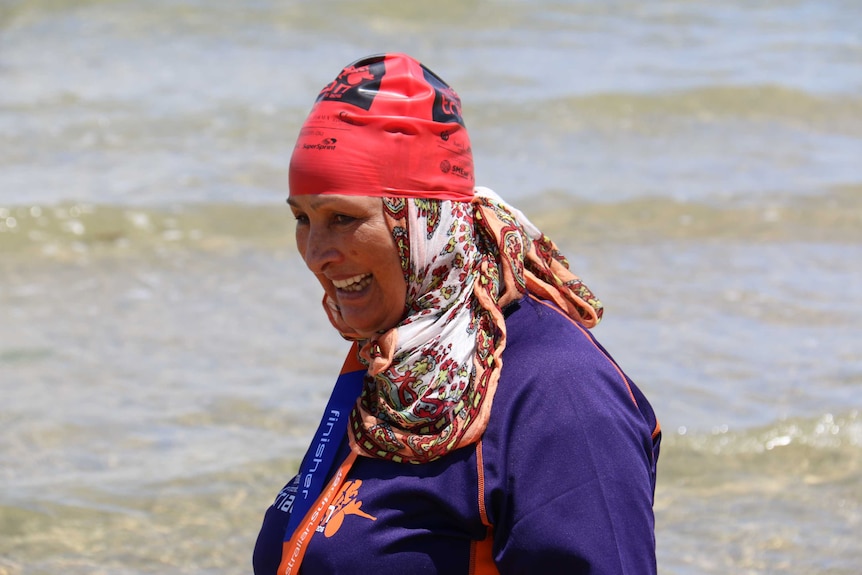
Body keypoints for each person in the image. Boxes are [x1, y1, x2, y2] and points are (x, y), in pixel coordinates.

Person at [253, 53, 661, 575]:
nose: (315, 253)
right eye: (302, 218)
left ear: (424, 223)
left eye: (342, 218)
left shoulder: (559, 394)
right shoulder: (403, 363)